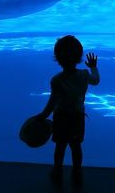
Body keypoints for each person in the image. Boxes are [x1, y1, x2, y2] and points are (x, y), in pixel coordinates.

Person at [37, 35, 100, 183]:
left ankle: (57, 169)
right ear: (79, 56)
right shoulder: (84, 75)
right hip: (77, 116)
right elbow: (96, 81)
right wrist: (93, 67)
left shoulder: (57, 79)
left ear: (57, 57)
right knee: (76, 145)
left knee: (60, 145)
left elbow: (52, 103)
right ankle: (77, 170)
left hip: (61, 117)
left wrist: (42, 116)